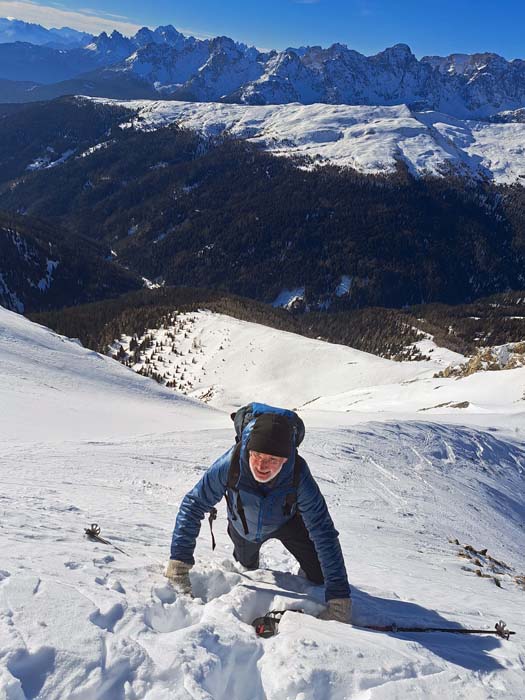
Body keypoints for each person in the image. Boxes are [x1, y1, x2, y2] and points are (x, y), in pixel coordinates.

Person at [165, 408, 352, 623]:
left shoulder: (298, 473)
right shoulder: (232, 463)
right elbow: (194, 503)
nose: (262, 466)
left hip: (288, 521)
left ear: (285, 459)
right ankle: (247, 558)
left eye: (272, 459)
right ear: (248, 450)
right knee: (247, 567)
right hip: (244, 526)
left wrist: (339, 599)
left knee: (319, 576)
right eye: (257, 456)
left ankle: (308, 573)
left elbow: (322, 529)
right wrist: (179, 565)